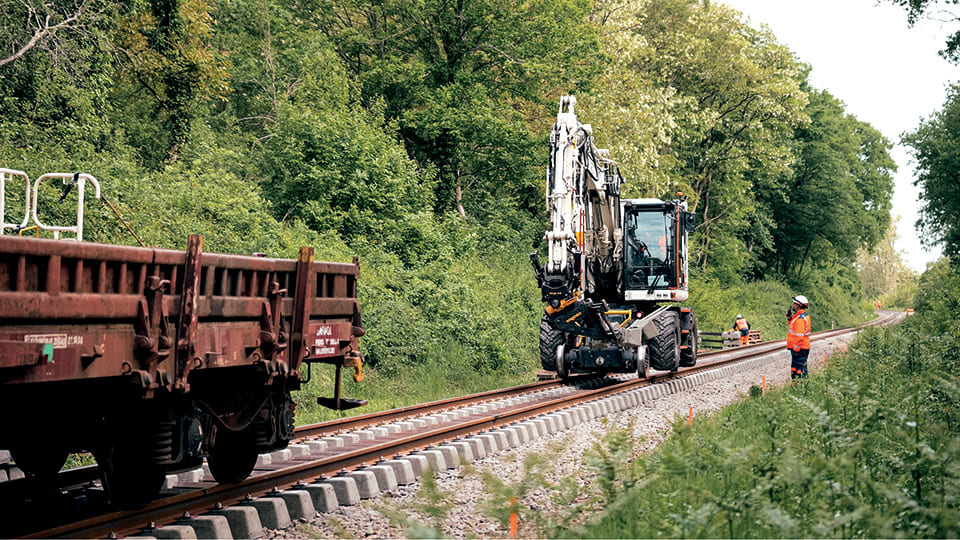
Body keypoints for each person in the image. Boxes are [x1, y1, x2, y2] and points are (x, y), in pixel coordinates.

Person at [786, 295, 811, 379]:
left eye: (794, 304)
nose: (793, 305)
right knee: (796, 370)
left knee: (799, 371)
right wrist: (789, 318)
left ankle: (801, 384)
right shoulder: (800, 316)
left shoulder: (800, 319)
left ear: (798, 305)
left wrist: (796, 350)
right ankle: (798, 384)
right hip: (801, 348)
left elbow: (799, 337)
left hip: (800, 349)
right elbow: (793, 325)